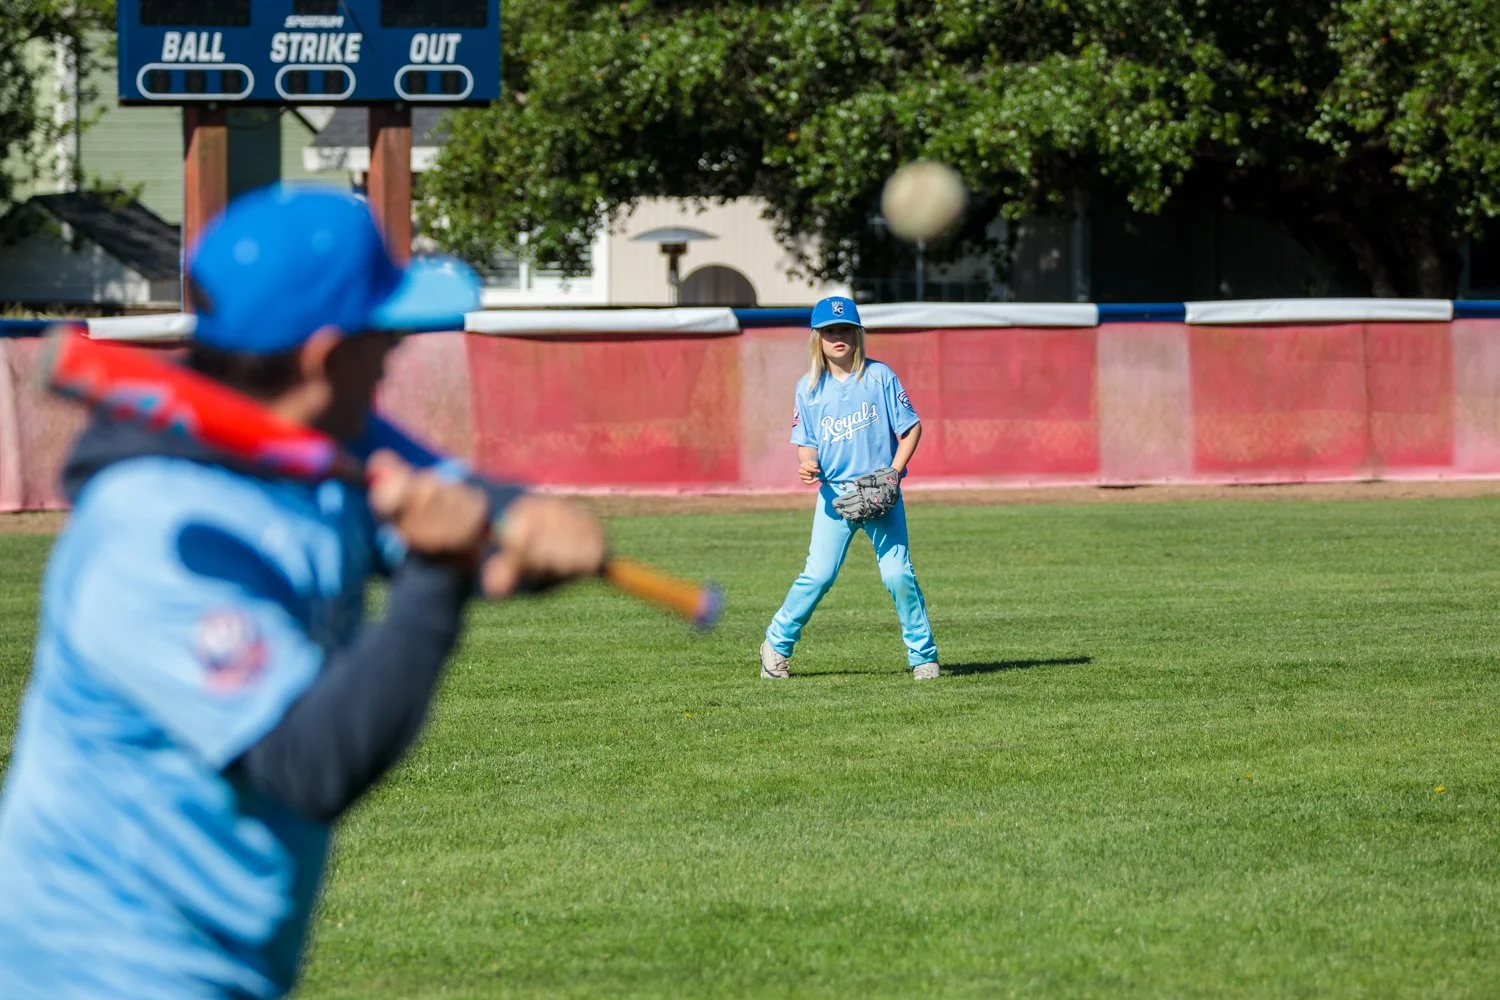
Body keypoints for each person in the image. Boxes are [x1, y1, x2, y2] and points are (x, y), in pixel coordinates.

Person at [0, 185, 607, 999]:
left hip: (231, 963)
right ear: (326, 356)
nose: (394, 351)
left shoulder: (324, 443)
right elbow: (308, 761)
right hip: (93, 967)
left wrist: (530, 514)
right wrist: (438, 576)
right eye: (381, 334)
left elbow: (455, 499)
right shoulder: (151, 534)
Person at [759, 295, 940, 680]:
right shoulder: (808, 388)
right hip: (835, 497)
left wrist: (893, 472)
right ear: (817, 338)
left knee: (898, 575)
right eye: (829, 331)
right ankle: (775, 644)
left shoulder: (880, 377)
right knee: (819, 575)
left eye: (845, 329)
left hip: (881, 492)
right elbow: (805, 441)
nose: (837, 337)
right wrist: (806, 464)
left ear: (857, 334)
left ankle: (923, 657)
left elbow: (911, 429)